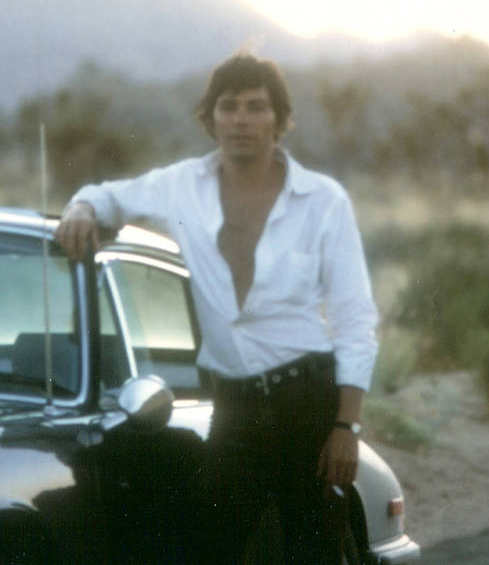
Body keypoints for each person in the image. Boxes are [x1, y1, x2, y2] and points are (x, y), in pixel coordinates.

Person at [55, 53, 379, 564]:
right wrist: (80, 208)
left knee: (313, 551)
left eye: (256, 107)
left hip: (307, 405)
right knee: (208, 545)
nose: (242, 120)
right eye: (229, 107)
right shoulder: (181, 186)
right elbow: (106, 195)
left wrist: (346, 427)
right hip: (235, 410)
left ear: (280, 119)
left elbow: (355, 319)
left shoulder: (323, 200)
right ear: (211, 120)